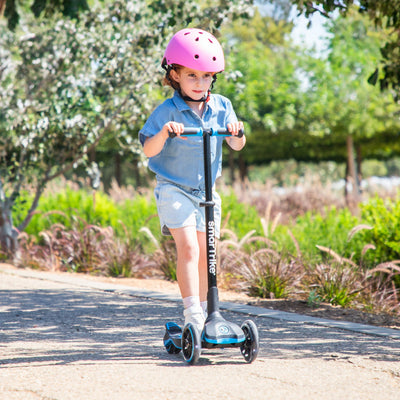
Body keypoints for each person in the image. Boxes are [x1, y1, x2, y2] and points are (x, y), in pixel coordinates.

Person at [139, 28, 246, 332]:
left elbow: (237, 143)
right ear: (174, 74)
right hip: (173, 188)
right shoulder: (167, 111)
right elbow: (149, 149)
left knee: (207, 251)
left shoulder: (223, 106)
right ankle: (192, 315)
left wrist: (237, 132)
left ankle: (207, 313)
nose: (200, 84)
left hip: (207, 192)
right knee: (188, 248)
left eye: (206, 76)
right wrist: (164, 132)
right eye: (191, 76)